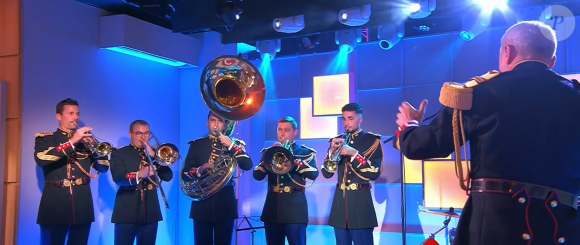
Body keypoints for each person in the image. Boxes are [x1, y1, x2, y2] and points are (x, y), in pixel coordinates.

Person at [394, 20, 580, 245]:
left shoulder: (480, 92)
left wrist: (410, 125)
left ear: (507, 52)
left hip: (495, 228)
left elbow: (420, 146)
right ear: (551, 61)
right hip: (561, 229)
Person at [34, 98, 110, 245]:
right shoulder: (46, 138)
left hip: (82, 204)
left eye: (77, 113)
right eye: (70, 113)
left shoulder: (85, 141)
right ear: (58, 116)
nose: (75, 117)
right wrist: (73, 141)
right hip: (55, 203)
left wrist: (95, 148)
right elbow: (42, 159)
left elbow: (103, 168)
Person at [182, 111, 253, 245]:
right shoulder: (197, 144)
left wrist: (231, 145)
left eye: (220, 121)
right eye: (213, 120)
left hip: (225, 202)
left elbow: (247, 165)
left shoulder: (234, 143)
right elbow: (185, 175)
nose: (216, 124)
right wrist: (200, 169)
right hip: (202, 204)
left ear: (225, 124)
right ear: (207, 123)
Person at [321, 103, 383, 245]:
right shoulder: (336, 140)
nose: (346, 123)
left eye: (350, 118)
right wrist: (331, 152)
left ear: (360, 119)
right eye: (343, 119)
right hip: (340, 207)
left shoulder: (372, 140)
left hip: (361, 204)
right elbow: (326, 173)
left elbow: (374, 172)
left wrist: (353, 153)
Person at [253, 116, 319, 245]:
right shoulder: (269, 152)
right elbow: (257, 176)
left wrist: (293, 160)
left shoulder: (304, 152)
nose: (282, 133)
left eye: (287, 130)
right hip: (273, 209)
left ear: (295, 132)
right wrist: (268, 158)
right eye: (279, 129)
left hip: (295, 211)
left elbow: (313, 174)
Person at [109, 120, 174, 245]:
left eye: (146, 133)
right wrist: (140, 174)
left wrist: (155, 156)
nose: (143, 137)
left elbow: (168, 176)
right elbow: (118, 178)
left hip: (150, 210)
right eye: (139, 133)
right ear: (130, 134)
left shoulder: (155, 153)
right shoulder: (120, 153)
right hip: (126, 211)